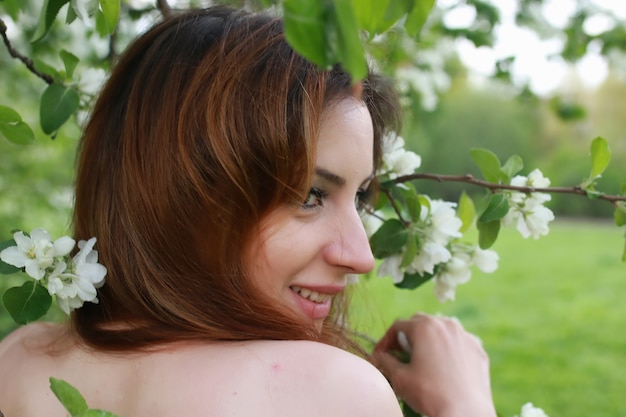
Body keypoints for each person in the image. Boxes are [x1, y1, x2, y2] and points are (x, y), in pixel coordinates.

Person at [0, 6, 497, 417]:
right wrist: (466, 405)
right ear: (187, 190)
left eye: (361, 198)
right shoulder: (328, 391)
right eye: (310, 196)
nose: (362, 257)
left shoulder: (19, 361)